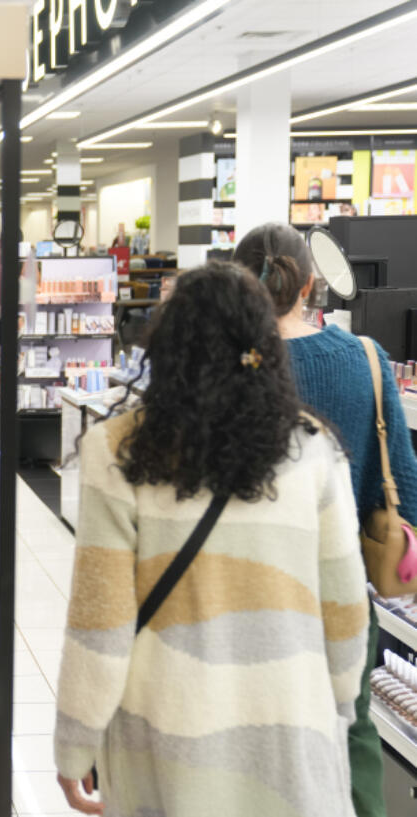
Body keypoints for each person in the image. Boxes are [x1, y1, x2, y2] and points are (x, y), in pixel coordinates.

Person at [54, 263, 368, 816]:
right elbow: (345, 608)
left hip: (168, 740)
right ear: (263, 347)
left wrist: (75, 746)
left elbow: (100, 626)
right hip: (289, 732)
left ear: (169, 348)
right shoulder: (314, 450)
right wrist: (336, 708)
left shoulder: (117, 452)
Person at [235, 221, 417, 817]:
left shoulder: (228, 368)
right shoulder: (364, 358)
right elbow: (403, 490)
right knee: (351, 731)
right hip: (340, 597)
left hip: (242, 595)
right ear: (312, 283)